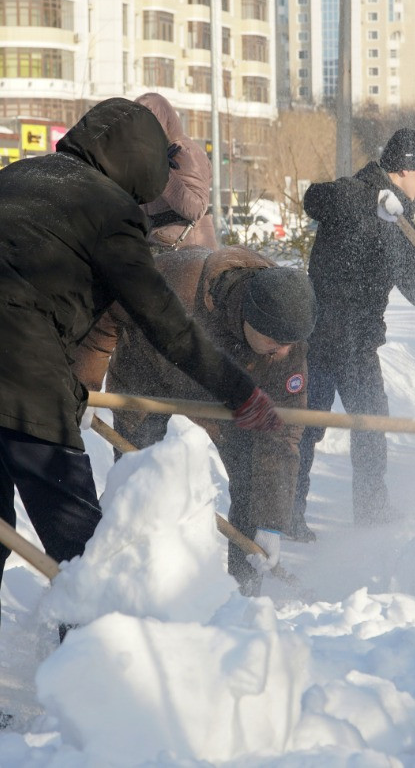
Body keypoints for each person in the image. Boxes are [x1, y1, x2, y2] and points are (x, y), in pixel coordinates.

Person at [0, 98, 282, 739]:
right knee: (89, 554)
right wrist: (240, 393)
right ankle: (97, 710)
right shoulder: (107, 209)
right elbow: (165, 323)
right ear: (137, 166)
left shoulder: (9, 180)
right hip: (27, 389)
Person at [77, 246, 315, 593]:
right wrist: (84, 385)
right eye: (277, 342)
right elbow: (108, 312)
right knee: (139, 481)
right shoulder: (177, 283)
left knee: (252, 486)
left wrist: (271, 522)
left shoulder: (287, 335)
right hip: (147, 381)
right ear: (249, 316)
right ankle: (133, 588)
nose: (285, 352)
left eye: (291, 344)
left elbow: (281, 433)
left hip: (231, 398)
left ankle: (243, 598)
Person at [293, 128, 415, 536]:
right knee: (305, 427)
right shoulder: (355, 192)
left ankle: (372, 508)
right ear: (405, 170)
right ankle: (289, 515)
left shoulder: (403, 221)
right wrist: (370, 200)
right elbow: (313, 198)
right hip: (322, 337)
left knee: (373, 425)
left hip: (360, 343)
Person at [134, 92, 216, 251]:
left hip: (190, 250)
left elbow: (196, 208)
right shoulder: (152, 155)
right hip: (164, 247)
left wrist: (163, 175)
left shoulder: (186, 152)